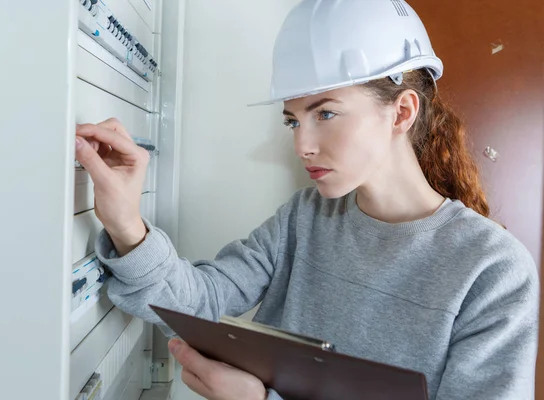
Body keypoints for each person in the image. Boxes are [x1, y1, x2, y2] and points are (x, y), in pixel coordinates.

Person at [74, 0, 539, 399]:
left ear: (401, 111)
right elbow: (200, 304)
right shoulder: (305, 217)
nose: (302, 145)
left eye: (327, 113)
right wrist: (126, 223)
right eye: (293, 120)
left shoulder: (493, 271)